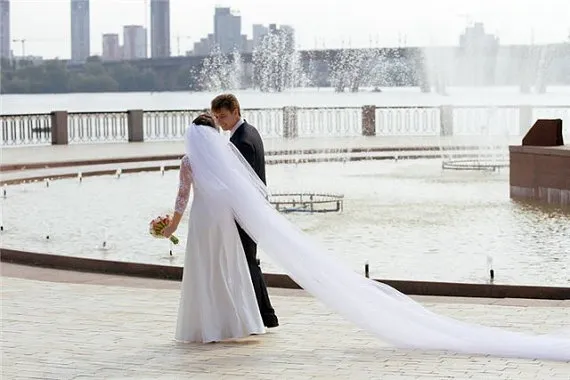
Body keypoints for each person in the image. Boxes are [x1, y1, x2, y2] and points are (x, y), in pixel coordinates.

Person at [170, 118, 570, 361]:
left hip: (204, 228)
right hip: (222, 228)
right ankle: (232, 323)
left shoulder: (191, 163)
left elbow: (181, 200)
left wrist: (168, 227)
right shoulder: (224, 162)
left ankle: (207, 327)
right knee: (230, 275)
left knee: (209, 277)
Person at [162, 114, 265, 343]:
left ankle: (209, 327)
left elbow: (182, 195)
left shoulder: (188, 161)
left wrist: (173, 226)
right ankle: (238, 323)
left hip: (202, 217)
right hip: (223, 216)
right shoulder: (226, 154)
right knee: (228, 266)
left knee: (204, 268)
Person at [210, 94, 279, 329]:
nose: (220, 122)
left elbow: (243, 184)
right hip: (250, 210)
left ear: (236, 111)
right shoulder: (250, 132)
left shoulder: (241, 142)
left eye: (224, 116)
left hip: (247, 211)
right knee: (250, 262)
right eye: (217, 118)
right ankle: (264, 314)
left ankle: (262, 315)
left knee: (248, 262)